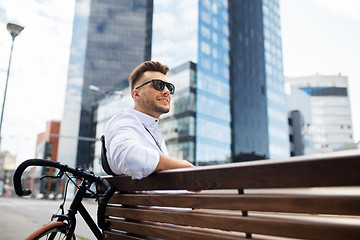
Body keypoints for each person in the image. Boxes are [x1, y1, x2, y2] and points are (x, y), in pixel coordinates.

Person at [104, 61, 194, 179]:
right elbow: (129, 157)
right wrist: (181, 165)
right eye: (158, 85)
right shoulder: (124, 121)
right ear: (136, 94)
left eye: (169, 87)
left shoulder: (152, 130)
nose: (166, 91)